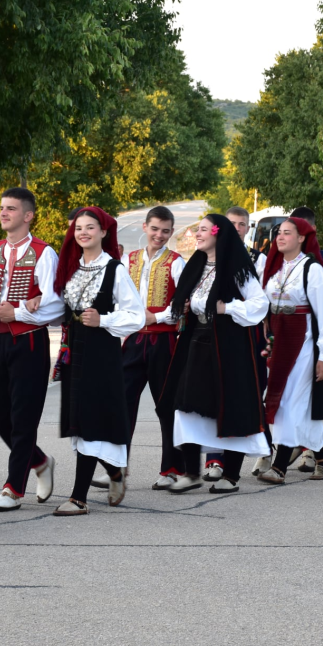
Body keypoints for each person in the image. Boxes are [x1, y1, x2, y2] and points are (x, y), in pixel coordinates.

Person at [159, 214, 271, 493]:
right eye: (198, 229)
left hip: (229, 347)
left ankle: (230, 474)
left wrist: (228, 308)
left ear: (218, 235)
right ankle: (192, 471)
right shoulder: (197, 265)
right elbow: (189, 303)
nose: (197, 234)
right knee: (185, 405)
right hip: (196, 342)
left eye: (204, 230)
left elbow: (260, 304)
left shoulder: (237, 268)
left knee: (230, 405)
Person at [0, 188, 64, 511]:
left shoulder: (43, 253)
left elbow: (55, 305)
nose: (4, 213)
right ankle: (39, 462)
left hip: (29, 342)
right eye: (2, 208)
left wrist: (20, 312)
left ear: (28, 215)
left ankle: (13, 489)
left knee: (23, 418)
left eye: (11, 208)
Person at [51, 207, 145, 515]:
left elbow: (136, 317)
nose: (84, 232)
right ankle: (115, 472)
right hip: (75, 351)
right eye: (79, 228)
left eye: (91, 227)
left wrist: (103, 319)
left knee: (92, 420)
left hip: (102, 354)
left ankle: (78, 497)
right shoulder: (72, 269)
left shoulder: (114, 269)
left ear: (104, 232)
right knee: (81, 422)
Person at [255, 217, 323, 483]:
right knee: (294, 404)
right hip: (280, 338)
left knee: (288, 402)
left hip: (303, 341)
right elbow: (264, 306)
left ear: (302, 238)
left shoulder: (311, 268)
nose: (280, 237)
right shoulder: (274, 267)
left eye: (287, 233)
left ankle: (279, 466)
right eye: (278, 233)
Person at [116, 206, 186, 491]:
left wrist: (156, 317)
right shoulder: (127, 259)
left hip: (163, 340)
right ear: (145, 227)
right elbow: (117, 297)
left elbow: (182, 305)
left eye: (166, 231)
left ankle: (171, 468)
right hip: (133, 341)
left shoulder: (177, 262)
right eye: (155, 229)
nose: (159, 235)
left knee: (167, 406)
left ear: (171, 233)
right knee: (122, 404)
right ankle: (116, 467)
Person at [204, 206, 272, 480]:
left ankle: (261, 445)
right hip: (214, 332)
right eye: (231, 223)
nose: (236, 228)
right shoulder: (208, 257)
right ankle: (214, 460)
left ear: (248, 229)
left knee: (250, 391)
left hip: (248, 330)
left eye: (241, 224)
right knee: (213, 391)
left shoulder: (257, 258)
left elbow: (261, 298)